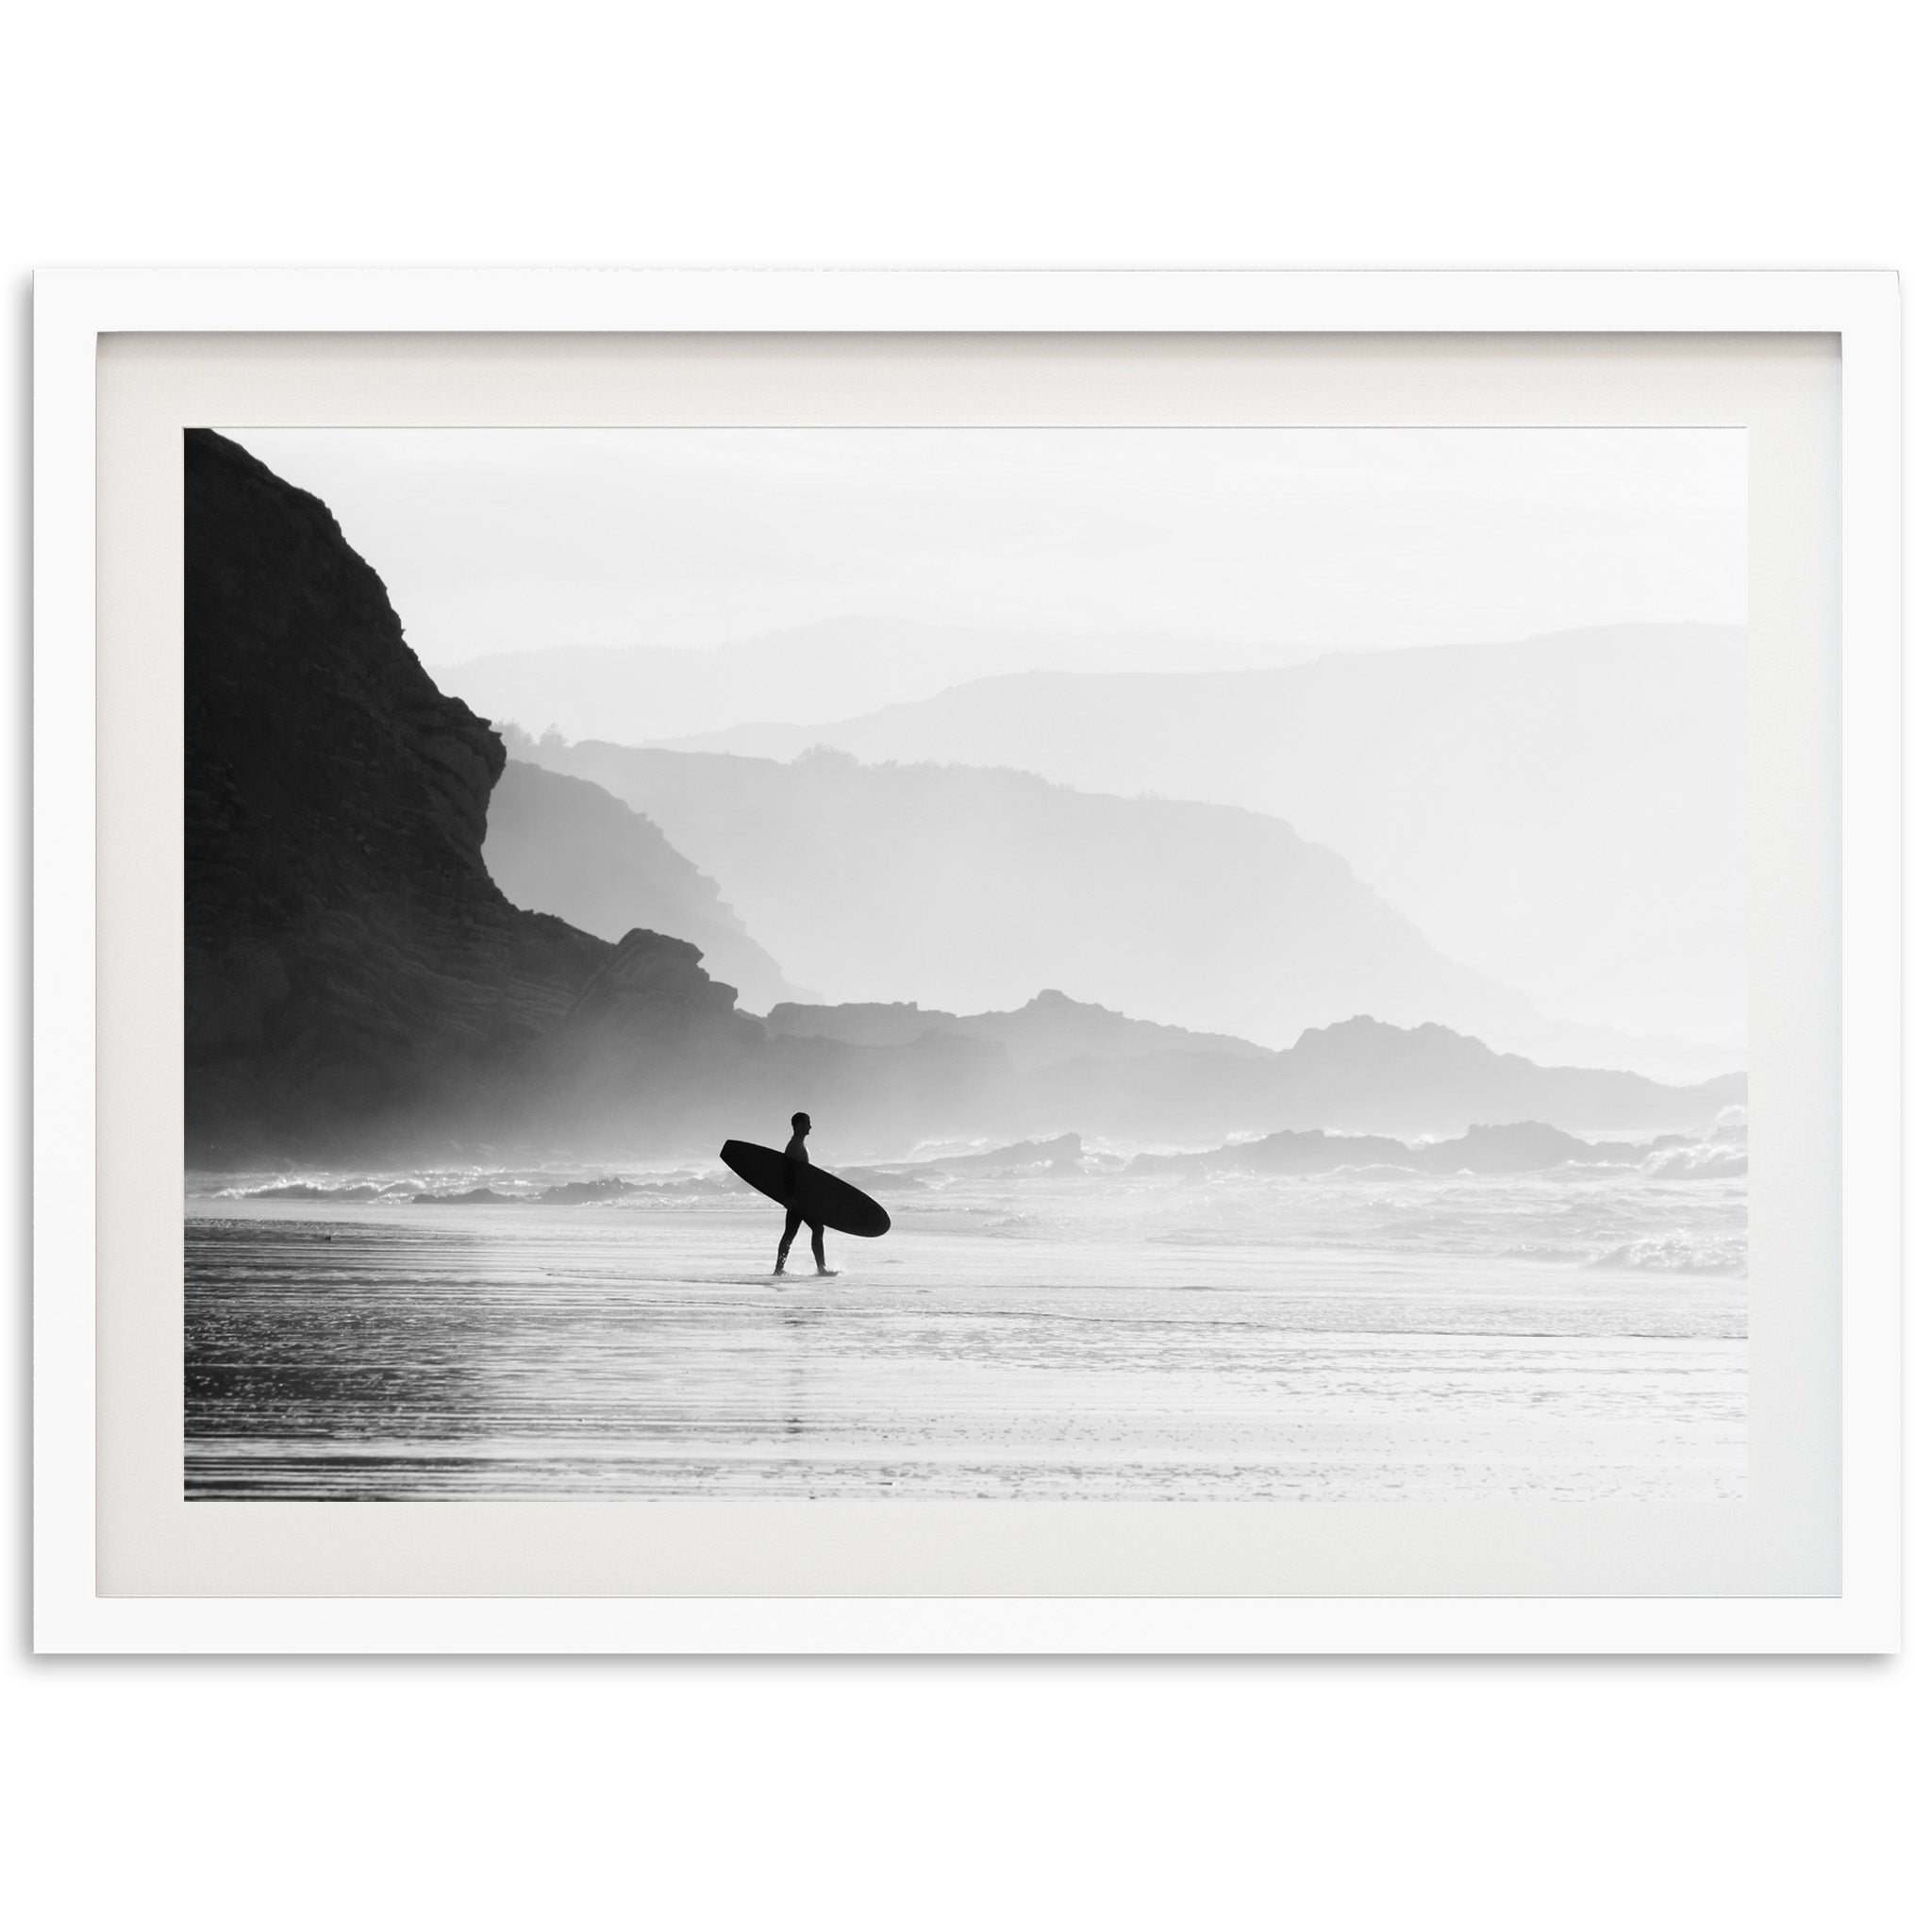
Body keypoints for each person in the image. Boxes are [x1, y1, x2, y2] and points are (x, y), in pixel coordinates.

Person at [774, 1110, 836, 1277]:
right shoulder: (794, 1146)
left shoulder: (799, 1145)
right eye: (808, 1122)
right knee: (817, 1228)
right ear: (799, 1125)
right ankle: (821, 1268)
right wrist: (789, 1197)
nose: (810, 1126)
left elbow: (803, 1174)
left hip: (799, 1198)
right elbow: (788, 1172)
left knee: (791, 1233)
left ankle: (779, 1269)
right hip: (798, 1199)